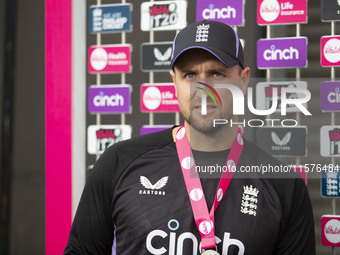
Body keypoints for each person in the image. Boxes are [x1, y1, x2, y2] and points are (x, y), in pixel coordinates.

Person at [64, 20, 315, 255]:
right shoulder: (118, 162)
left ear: (243, 80)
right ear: (175, 82)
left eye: (217, 74)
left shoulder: (285, 186)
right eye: (190, 75)